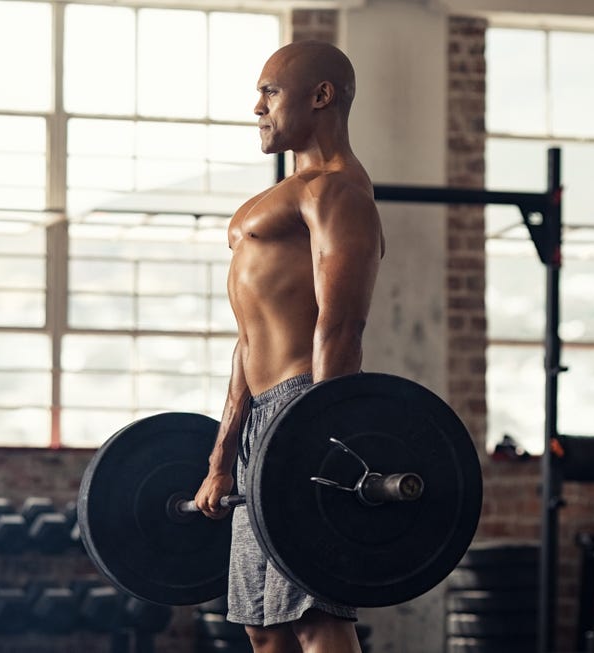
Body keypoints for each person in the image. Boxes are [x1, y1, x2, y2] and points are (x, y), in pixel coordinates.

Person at [193, 40, 383, 653]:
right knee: (263, 625)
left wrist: (319, 442)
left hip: (306, 409)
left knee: (314, 616)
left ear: (320, 96)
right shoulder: (295, 189)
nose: (257, 107)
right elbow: (248, 339)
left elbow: (341, 327)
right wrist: (224, 455)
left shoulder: (337, 194)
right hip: (262, 418)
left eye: (270, 91)